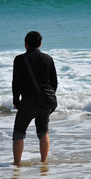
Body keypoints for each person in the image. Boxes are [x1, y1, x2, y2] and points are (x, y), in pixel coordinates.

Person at [12, 31, 58, 165]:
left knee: (18, 133)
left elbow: (16, 82)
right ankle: (43, 162)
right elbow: (54, 83)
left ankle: (17, 164)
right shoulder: (48, 58)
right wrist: (48, 97)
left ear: (25, 44)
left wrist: (16, 100)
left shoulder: (20, 59)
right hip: (44, 102)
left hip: (27, 102)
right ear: (40, 44)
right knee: (43, 131)